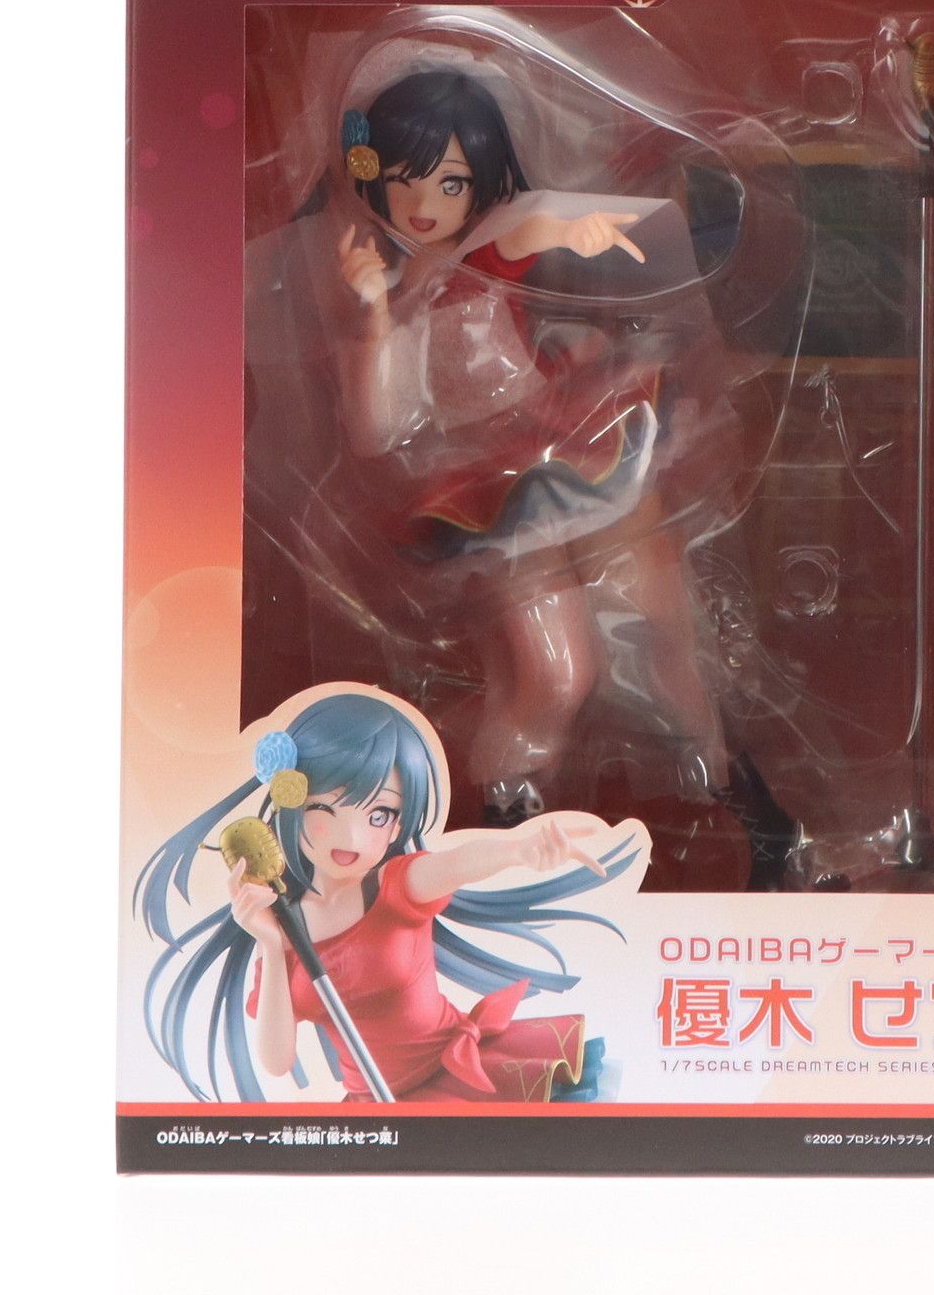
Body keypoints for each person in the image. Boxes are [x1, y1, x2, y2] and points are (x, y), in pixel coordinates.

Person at [328, 69, 795, 885]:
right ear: (372, 180)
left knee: (665, 636)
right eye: (405, 181)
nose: (425, 203)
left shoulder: (488, 245)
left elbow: (542, 229)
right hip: (489, 489)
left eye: (450, 182)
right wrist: (371, 311)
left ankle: (755, 815)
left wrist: (596, 222)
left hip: (575, 440)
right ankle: (509, 837)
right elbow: (373, 430)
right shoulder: (394, 302)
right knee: (557, 673)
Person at [138, 689, 637, 1102]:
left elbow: (459, 862)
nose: (353, 837)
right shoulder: (286, 927)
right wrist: (269, 944)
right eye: (324, 809)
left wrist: (518, 850)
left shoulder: (396, 885)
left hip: (459, 1076)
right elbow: (276, 1059)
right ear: (292, 806)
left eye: (379, 815)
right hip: (375, 1106)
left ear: (397, 825)